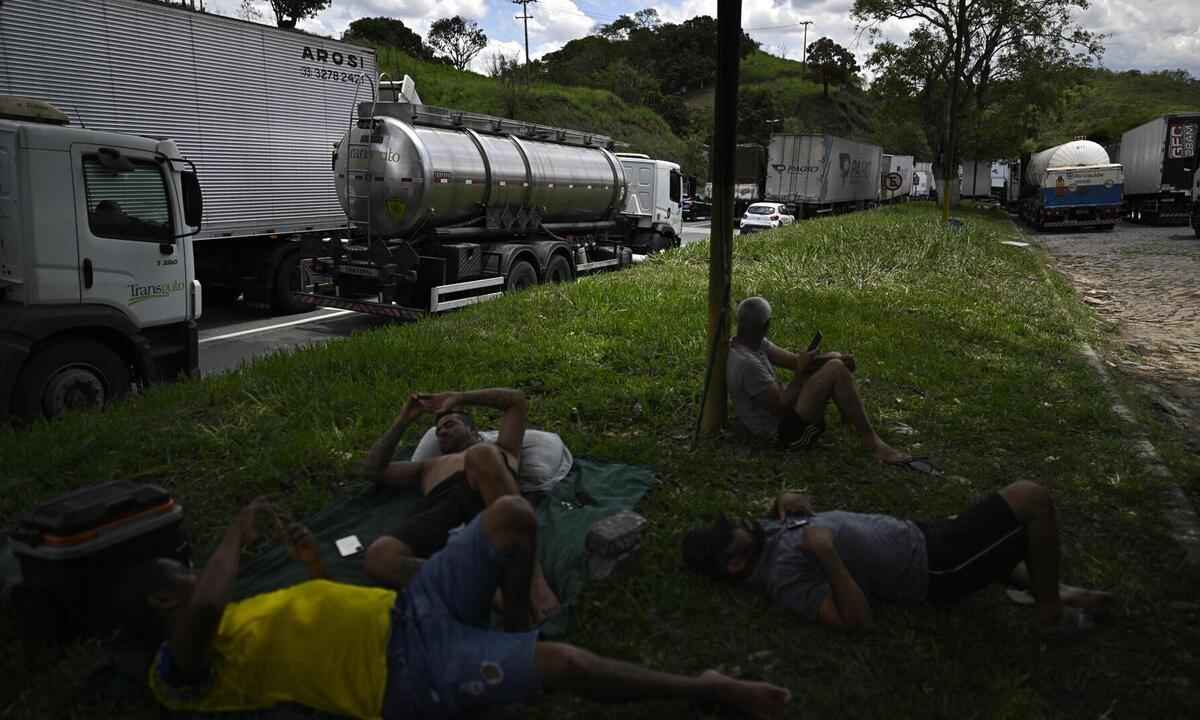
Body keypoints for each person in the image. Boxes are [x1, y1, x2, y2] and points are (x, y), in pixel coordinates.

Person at [128, 498, 792, 720]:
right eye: (183, 576)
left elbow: (318, 606)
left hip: (410, 610)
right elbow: (210, 599)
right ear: (165, 602)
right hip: (406, 670)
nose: (199, 578)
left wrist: (310, 561)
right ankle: (707, 691)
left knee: (512, 514)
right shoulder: (180, 667)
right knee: (561, 662)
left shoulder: (238, 622)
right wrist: (237, 532)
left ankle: (509, 628)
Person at [681, 481, 1111, 635]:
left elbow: (777, 522)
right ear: (734, 563)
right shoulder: (782, 578)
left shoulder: (764, 539)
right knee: (1032, 500)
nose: (743, 523)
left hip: (921, 533)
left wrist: (781, 500)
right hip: (932, 568)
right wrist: (829, 557)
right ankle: (1051, 613)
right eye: (732, 530)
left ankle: (1055, 590)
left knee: (993, 535)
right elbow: (856, 619)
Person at [361, 387, 559, 621]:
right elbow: (371, 470)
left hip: (487, 503)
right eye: (438, 431)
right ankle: (488, 589)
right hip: (439, 512)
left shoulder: (501, 449)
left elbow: (516, 400)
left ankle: (534, 583)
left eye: (450, 425)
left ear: (473, 429)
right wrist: (403, 420)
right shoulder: (427, 467)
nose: (442, 432)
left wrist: (461, 397)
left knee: (481, 454)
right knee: (379, 557)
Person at [726, 296, 908, 464]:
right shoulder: (746, 365)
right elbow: (780, 406)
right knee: (835, 369)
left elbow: (794, 361)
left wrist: (832, 358)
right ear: (767, 325)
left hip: (785, 412)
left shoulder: (752, 342)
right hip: (783, 434)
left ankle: (851, 418)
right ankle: (873, 443)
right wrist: (801, 373)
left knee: (835, 360)